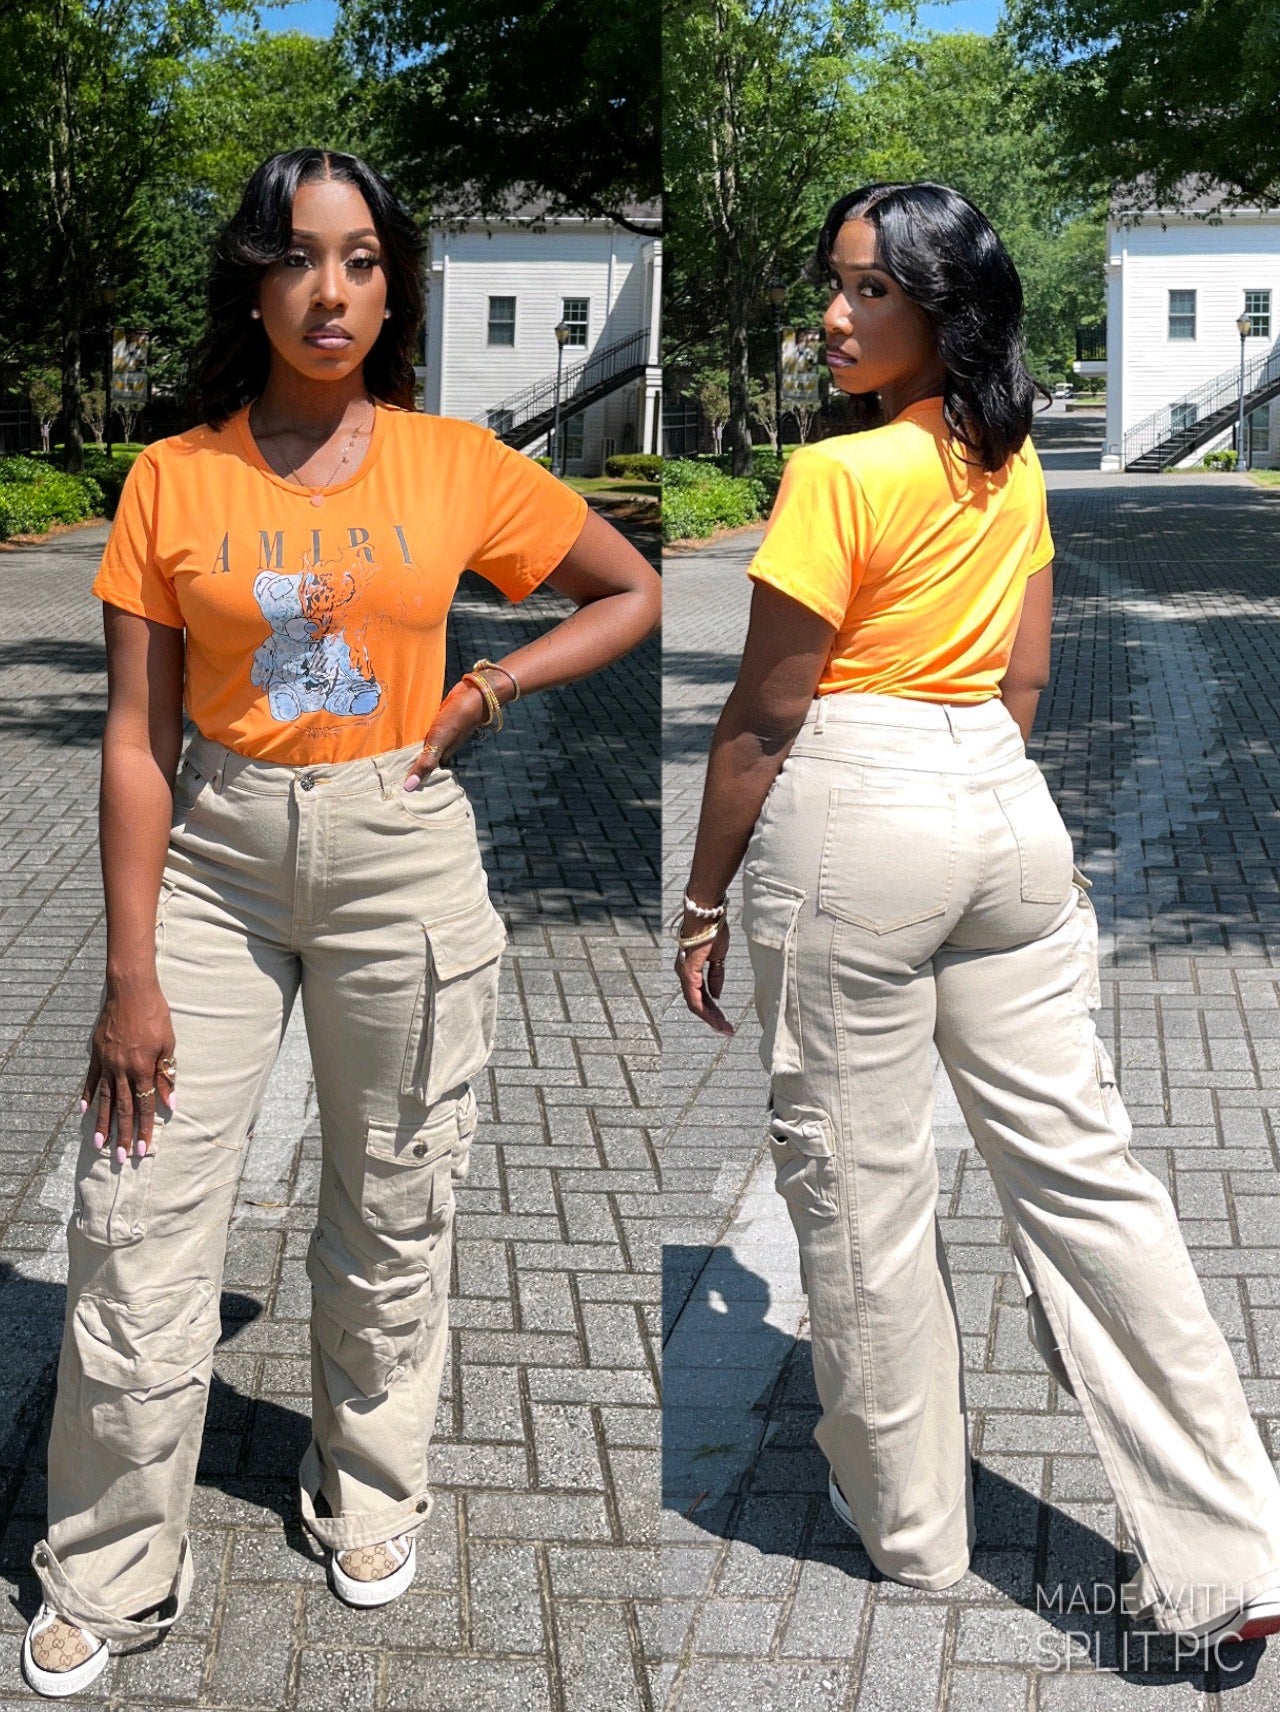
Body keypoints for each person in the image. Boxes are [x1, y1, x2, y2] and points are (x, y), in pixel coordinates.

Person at [22, 147, 660, 1698]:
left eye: (362, 259)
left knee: (393, 1200)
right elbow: (133, 740)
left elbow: (627, 588)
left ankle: (369, 1488)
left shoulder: (455, 464)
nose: (331, 290)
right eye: (300, 257)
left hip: (398, 849)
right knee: (135, 1219)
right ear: (253, 280)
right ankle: (108, 1561)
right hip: (215, 859)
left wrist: (489, 688)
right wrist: (126, 974)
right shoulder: (174, 478)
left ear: (393, 286)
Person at [674, 180, 1280, 1650]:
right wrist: (972, 787)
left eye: (870, 290)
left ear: (945, 311)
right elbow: (1026, 677)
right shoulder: (1008, 466)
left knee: (863, 1187)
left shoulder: (841, 475)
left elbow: (764, 715)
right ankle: (1233, 1546)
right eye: (833, 284)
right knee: (1088, 1177)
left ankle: (915, 1531)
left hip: (857, 812)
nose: (834, 316)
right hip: (1006, 812)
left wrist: (701, 898)